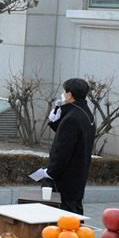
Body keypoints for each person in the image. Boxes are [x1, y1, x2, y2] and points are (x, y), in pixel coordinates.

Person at [45, 77, 96, 215]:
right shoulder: (85, 112)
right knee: (75, 207)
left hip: (66, 176)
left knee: (66, 212)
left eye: (64, 91)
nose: (62, 94)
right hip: (79, 172)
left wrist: (50, 172)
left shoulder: (72, 118)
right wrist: (58, 115)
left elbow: (62, 150)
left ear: (69, 95)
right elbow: (69, 134)